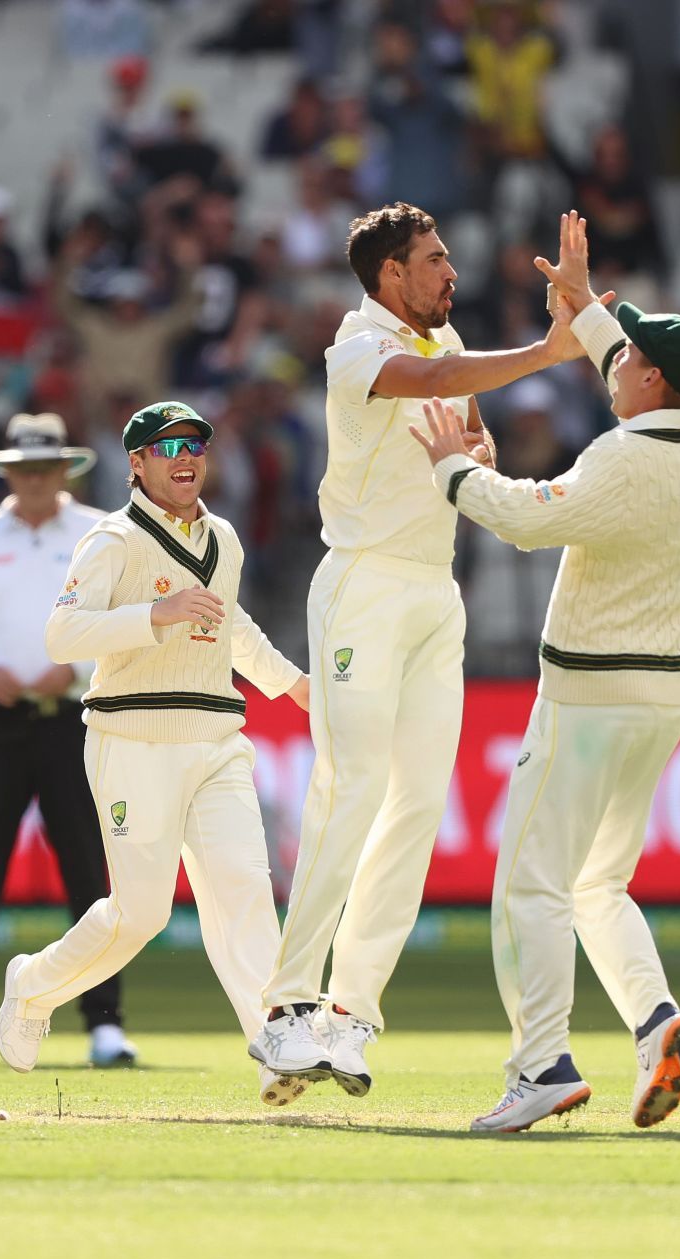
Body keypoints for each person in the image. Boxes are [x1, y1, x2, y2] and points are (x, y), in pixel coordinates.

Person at [251, 202, 585, 1097]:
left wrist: (480, 447)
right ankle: (285, 1010)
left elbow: (467, 434)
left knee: (414, 806)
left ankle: (348, 1015)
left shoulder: (448, 344)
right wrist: (548, 352)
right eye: (434, 260)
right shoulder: (356, 347)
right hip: (361, 582)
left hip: (436, 590)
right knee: (350, 785)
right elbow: (425, 381)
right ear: (390, 275)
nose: (450, 273)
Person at [412, 213, 680, 1133]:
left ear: (652, 376)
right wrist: (584, 309)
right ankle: (655, 1019)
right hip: (663, 693)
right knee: (600, 885)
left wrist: (452, 471)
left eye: (625, 358)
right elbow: (627, 371)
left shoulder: (622, 458)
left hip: (588, 693)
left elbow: (528, 519)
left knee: (534, 885)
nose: (613, 364)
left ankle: (542, 1063)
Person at [0, 401, 312, 1108]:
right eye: (167, 447)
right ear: (136, 464)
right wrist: (152, 616)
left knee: (244, 887)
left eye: (195, 444)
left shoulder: (222, 536)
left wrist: (293, 684)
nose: (185, 457)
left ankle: (276, 1042)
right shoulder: (113, 540)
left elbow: (231, 623)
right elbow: (62, 635)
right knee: (141, 914)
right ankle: (33, 984)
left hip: (217, 737)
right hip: (131, 736)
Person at [0, 413, 139, 1068]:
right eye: (25, 468)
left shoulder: (99, 531)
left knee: (88, 871)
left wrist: (72, 668)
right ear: (8, 471)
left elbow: (121, 621)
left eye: (47, 468)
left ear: (65, 470)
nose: (36, 480)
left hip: (76, 715)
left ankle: (105, 1023)